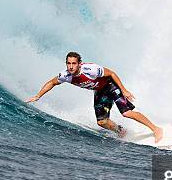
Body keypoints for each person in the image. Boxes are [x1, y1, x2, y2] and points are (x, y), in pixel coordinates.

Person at [26, 51, 163, 142]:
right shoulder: (65, 76)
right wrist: (38, 96)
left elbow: (111, 74)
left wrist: (124, 90)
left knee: (126, 113)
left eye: (74, 63)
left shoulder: (91, 69)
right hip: (99, 91)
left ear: (80, 63)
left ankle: (156, 129)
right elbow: (52, 82)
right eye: (68, 63)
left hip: (110, 85)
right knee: (102, 122)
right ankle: (121, 131)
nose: (71, 66)